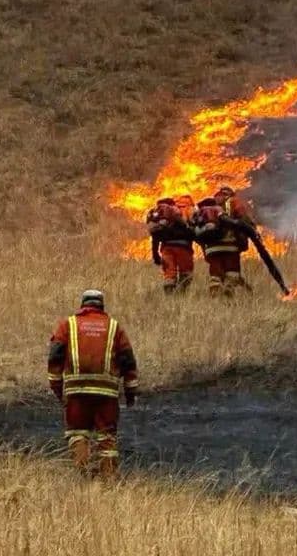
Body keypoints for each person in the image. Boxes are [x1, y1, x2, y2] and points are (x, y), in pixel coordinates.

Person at [47, 289, 139, 478]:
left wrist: (59, 391)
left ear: (83, 305)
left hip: (76, 393)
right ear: (101, 305)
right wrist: (131, 392)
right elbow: (128, 361)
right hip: (107, 395)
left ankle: (84, 474)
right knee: (107, 437)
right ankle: (109, 479)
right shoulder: (114, 327)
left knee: (78, 433)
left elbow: (55, 357)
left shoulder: (68, 325)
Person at [145, 195, 196, 293]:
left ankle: (169, 294)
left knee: (169, 272)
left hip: (166, 248)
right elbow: (191, 230)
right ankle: (182, 293)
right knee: (186, 272)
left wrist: (155, 255)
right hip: (183, 247)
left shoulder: (158, 215)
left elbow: (155, 236)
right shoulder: (181, 212)